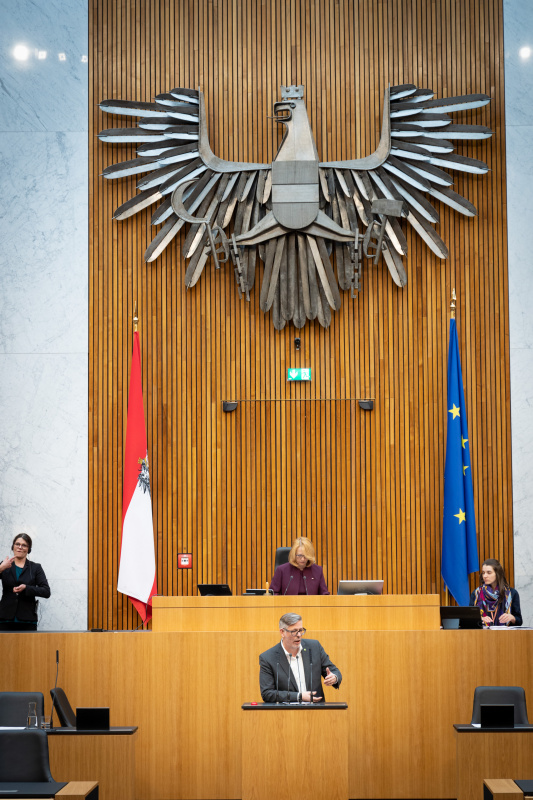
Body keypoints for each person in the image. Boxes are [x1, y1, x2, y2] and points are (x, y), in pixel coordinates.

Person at [259, 612, 342, 703]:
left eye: (301, 630)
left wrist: (334, 677)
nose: (299, 635)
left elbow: (334, 670)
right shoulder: (268, 658)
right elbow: (267, 693)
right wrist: (299, 696)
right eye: (294, 631)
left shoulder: (314, 648)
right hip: (286, 714)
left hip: (317, 712)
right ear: (282, 632)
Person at [0, 534, 50, 631]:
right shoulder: (4, 565)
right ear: (13, 546)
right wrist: (1, 568)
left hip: (27, 619)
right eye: (17, 544)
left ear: (29, 549)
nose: (20, 547)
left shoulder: (36, 568)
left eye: (24, 545)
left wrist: (27, 588)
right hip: (4, 618)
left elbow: (46, 591)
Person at [469, 558, 522, 627]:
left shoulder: (512, 593)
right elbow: (469, 619)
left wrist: (512, 618)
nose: (485, 576)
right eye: (483, 573)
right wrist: (480, 619)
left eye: (489, 572)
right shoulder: (476, 594)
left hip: (506, 636)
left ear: (497, 574)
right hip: (481, 635)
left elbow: (519, 621)